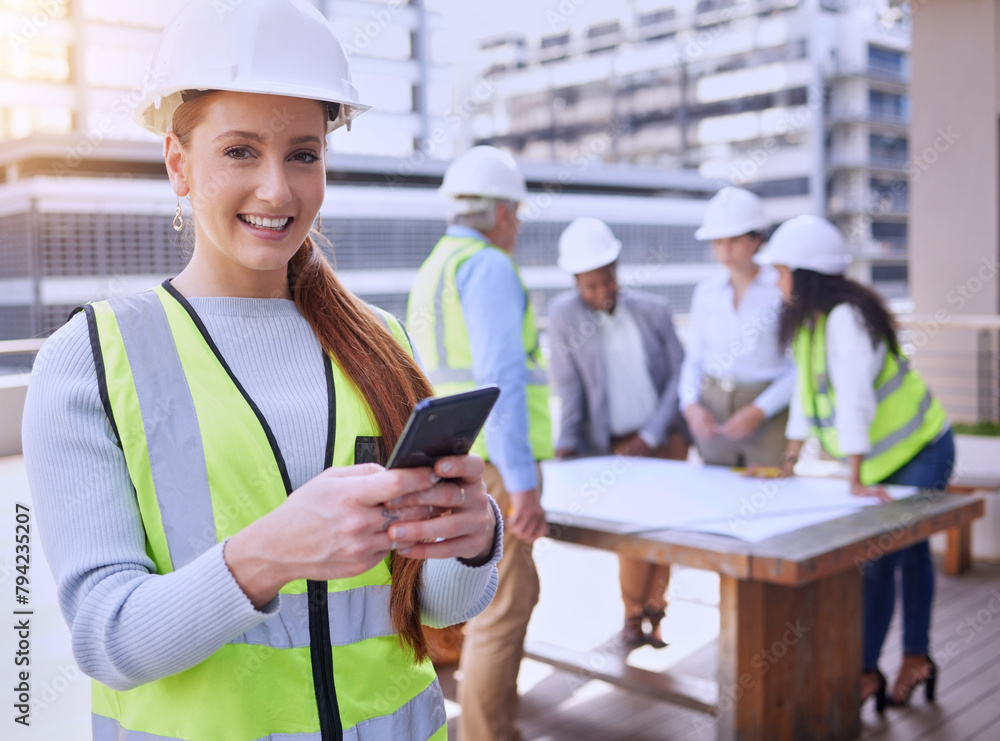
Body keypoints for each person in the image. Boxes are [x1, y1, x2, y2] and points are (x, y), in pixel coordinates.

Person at [21, 2, 502, 739]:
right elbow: (105, 637)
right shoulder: (90, 360)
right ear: (179, 165)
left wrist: (472, 540)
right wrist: (271, 552)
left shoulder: (380, 339)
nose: (278, 190)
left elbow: (437, 605)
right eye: (241, 151)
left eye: (303, 153)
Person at [756, 215, 953, 712]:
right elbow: (807, 396)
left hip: (922, 451)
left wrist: (857, 475)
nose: (776, 282)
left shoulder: (846, 318)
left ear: (806, 275)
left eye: (781, 272)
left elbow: (855, 401)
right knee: (889, 556)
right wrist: (789, 461)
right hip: (881, 462)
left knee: (896, 553)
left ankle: (906, 660)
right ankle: (874, 667)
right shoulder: (810, 326)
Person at [407, 145, 553, 741]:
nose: (515, 224)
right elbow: (503, 380)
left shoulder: (437, 264)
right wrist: (522, 482)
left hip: (453, 456)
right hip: (490, 463)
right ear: (496, 213)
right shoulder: (489, 266)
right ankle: (489, 735)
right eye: (514, 211)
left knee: (503, 594)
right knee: (504, 606)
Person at [547, 216, 688, 647]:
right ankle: (632, 613)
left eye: (607, 280)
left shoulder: (654, 311)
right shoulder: (564, 316)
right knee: (632, 537)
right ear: (576, 283)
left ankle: (656, 612)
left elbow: (680, 378)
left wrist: (653, 433)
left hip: (664, 440)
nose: (602, 292)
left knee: (666, 532)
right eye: (590, 286)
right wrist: (566, 448)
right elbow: (569, 389)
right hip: (616, 448)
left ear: (617, 270)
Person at [679, 186, 795, 468]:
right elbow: (694, 358)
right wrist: (691, 405)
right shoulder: (706, 293)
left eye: (734, 240)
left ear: (757, 239)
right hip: (712, 411)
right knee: (717, 492)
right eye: (717, 242)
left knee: (769, 493)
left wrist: (760, 409)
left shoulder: (783, 289)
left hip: (768, 410)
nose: (725, 250)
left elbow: (798, 366)